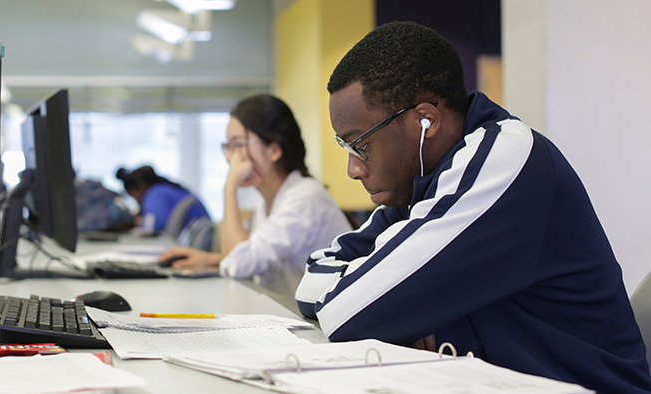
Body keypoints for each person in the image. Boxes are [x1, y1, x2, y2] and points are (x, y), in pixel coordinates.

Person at [294, 21, 651, 394]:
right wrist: (378, 302)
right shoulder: (425, 184)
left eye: (360, 144)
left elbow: (344, 314)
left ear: (425, 120)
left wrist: (381, 304)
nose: (353, 169)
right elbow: (315, 277)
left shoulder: (504, 158)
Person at [159, 94, 352, 299]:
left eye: (238, 144)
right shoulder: (267, 200)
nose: (229, 157)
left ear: (274, 150)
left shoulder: (305, 198)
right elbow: (253, 257)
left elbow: (238, 264)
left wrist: (229, 186)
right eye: (228, 146)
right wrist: (213, 259)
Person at [115, 165, 210, 235]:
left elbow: (156, 226)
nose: (137, 201)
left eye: (134, 196)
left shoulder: (155, 194)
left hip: (198, 240)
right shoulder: (166, 189)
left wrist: (139, 221)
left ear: (141, 186)